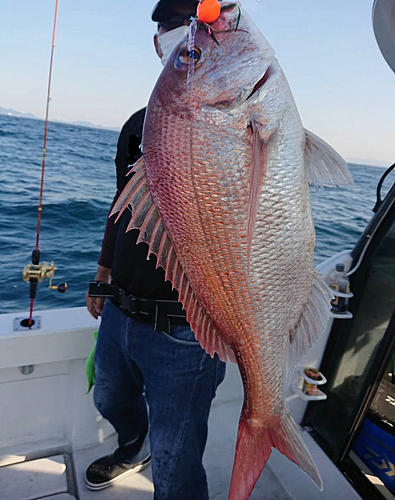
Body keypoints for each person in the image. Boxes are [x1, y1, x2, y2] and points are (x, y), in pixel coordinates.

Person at [84, 1, 226, 498]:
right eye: (169, 26)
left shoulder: (234, 125)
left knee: (177, 462)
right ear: (157, 43)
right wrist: (102, 272)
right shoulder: (137, 125)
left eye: (194, 22)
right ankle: (131, 446)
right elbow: (120, 206)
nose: (179, 32)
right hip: (120, 310)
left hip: (187, 331)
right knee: (109, 397)